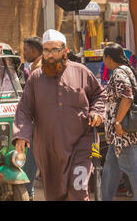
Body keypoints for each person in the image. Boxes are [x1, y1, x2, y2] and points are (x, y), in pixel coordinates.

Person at [13, 29, 107, 201]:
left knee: (78, 192)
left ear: (64, 50)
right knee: (55, 196)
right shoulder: (35, 78)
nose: (50, 55)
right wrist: (21, 135)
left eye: (54, 50)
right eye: (46, 50)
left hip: (82, 144)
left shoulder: (81, 72)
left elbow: (99, 95)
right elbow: (24, 109)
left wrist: (97, 112)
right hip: (49, 150)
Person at [101, 43, 137, 201]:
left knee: (132, 170)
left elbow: (127, 97)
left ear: (109, 58)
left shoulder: (118, 72)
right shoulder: (127, 70)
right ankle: (105, 198)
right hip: (116, 137)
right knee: (110, 170)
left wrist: (117, 122)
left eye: (104, 58)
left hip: (122, 135)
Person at [21, 36, 43, 201]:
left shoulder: (38, 69)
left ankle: (28, 192)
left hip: (39, 122)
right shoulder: (35, 67)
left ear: (35, 50)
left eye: (26, 50)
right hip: (40, 121)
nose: (24, 53)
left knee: (30, 160)